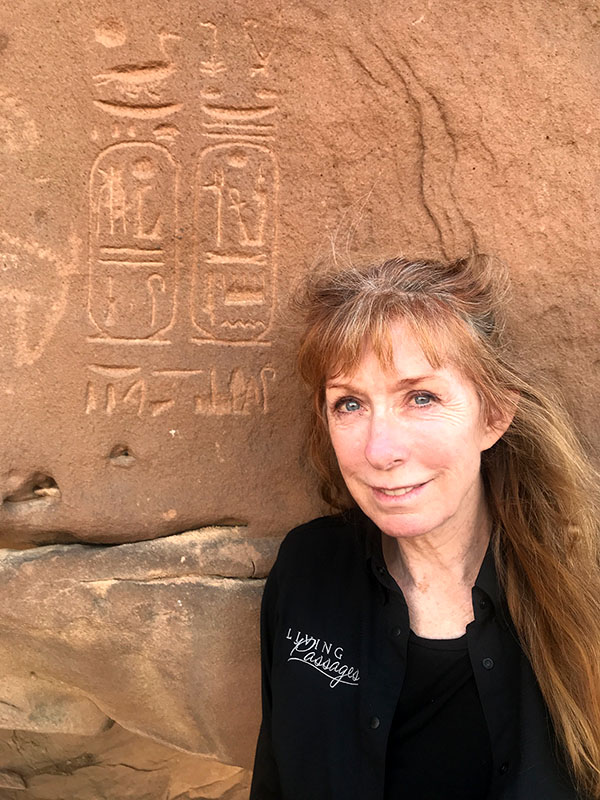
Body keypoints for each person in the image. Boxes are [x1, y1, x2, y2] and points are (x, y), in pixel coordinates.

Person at [249, 254, 600, 800]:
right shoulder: (308, 568)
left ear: (494, 415)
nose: (379, 450)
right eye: (349, 404)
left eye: (421, 397)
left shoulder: (585, 587)